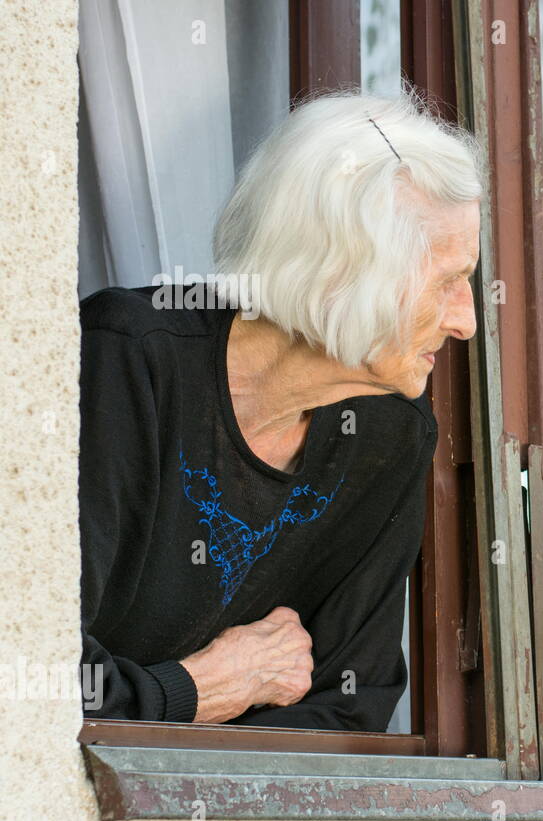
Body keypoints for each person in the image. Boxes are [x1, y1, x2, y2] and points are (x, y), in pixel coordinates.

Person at [78, 89, 481, 731]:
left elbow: (349, 710)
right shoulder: (130, 361)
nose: (466, 322)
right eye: (445, 282)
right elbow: (32, 669)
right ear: (341, 271)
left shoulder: (390, 437)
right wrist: (196, 692)